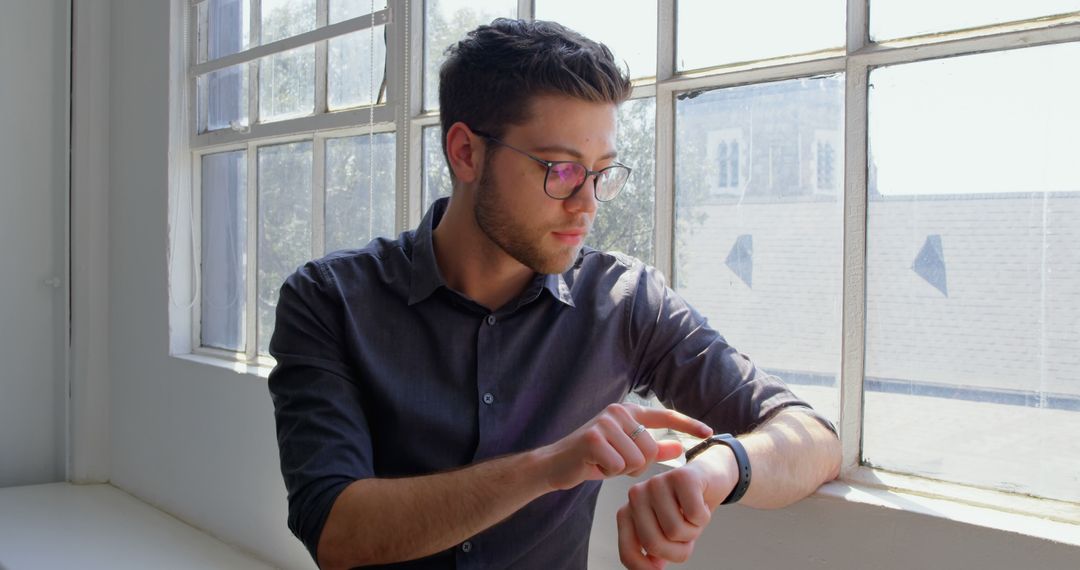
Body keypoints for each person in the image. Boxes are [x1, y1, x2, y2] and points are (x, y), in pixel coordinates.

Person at [268, 18, 840, 570]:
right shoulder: (328, 301)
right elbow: (335, 532)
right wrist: (550, 465)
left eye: (602, 173)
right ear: (466, 153)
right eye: (560, 170)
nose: (587, 203)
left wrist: (713, 472)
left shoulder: (625, 301)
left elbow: (810, 438)